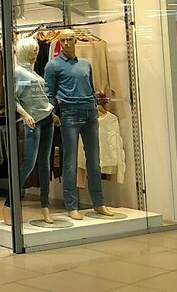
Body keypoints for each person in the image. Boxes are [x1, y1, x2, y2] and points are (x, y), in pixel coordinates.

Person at [44, 30, 113, 220]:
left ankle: (99, 203)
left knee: (94, 160)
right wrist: (52, 113)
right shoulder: (53, 65)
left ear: (75, 41)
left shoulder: (85, 63)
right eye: (63, 40)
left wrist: (95, 106)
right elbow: (48, 92)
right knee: (70, 161)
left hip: (90, 113)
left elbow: (91, 88)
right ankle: (71, 205)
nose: (66, 43)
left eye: (69, 39)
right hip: (70, 114)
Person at [2, 38, 56, 225]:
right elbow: (12, 98)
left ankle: (45, 206)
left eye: (36, 49)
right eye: (32, 50)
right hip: (33, 121)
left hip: (47, 118)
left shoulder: (32, 71)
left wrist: (51, 112)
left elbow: (41, 97)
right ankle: (9, 205)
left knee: (44, 164)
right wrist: (24, 114)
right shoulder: (17, 72)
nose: (35, 53)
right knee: (28, 164)